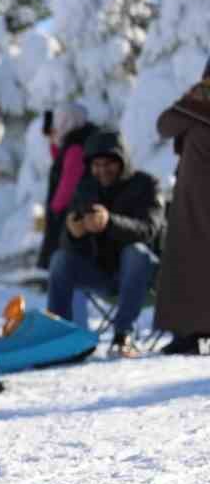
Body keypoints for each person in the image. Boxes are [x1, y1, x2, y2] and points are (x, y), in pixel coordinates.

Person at [45, 129, 164, 358]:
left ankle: (123, 335)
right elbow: (71, 246)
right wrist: (73, 233)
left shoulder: (147, 185)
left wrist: (109, 222)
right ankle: (59, 337)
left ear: (122, 162)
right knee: (60, 259)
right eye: (96, 165)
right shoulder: (86, 188)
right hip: (103, 275)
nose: (102, 170)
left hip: (145, 277)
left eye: (108, 164)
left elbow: (149, 230)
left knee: (135, 252)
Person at [155, 64, 210, 356]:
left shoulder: (198, 106)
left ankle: (191, 332)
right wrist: (191, 99)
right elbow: (164, 125)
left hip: (197, 200)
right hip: (193, 198)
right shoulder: (198, 105)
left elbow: (166, 125)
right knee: (189, 265)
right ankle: (189, 333)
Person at [39, 103, 98, 270]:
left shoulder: (76, 147)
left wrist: (55, 208)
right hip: (72, 210)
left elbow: (69, 183)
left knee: (66, 261)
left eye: (59, 123)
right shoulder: (76, 142)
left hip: (70, 213)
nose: (55, 128)